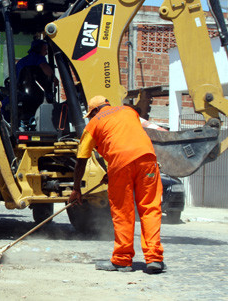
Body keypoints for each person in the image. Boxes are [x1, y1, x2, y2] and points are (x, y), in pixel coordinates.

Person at [68, 96, 165, 274]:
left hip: (121, 165)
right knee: (150, 208)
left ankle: (122, 260)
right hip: (148, 160)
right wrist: (111, 173)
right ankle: (154, 259)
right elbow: (126, 138)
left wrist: (76, 190)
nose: (90, 118)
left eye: (90, 115)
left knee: (123, 211)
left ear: (95, 111)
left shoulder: (93, 124)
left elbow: (81, 160)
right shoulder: (129, 111)